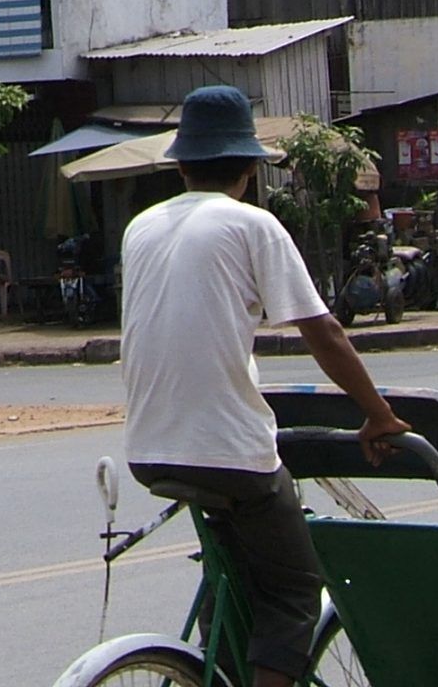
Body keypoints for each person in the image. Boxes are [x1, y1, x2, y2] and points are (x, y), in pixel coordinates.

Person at [123, 85, 407, 687]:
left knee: (236, 570)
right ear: (251, 168)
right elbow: (323, 331)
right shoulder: (253, 224)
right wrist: (376, 413)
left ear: (180, 163)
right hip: (228, 453)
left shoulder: (140, 228)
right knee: (295, 589)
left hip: (147, 450)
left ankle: (217, 667)